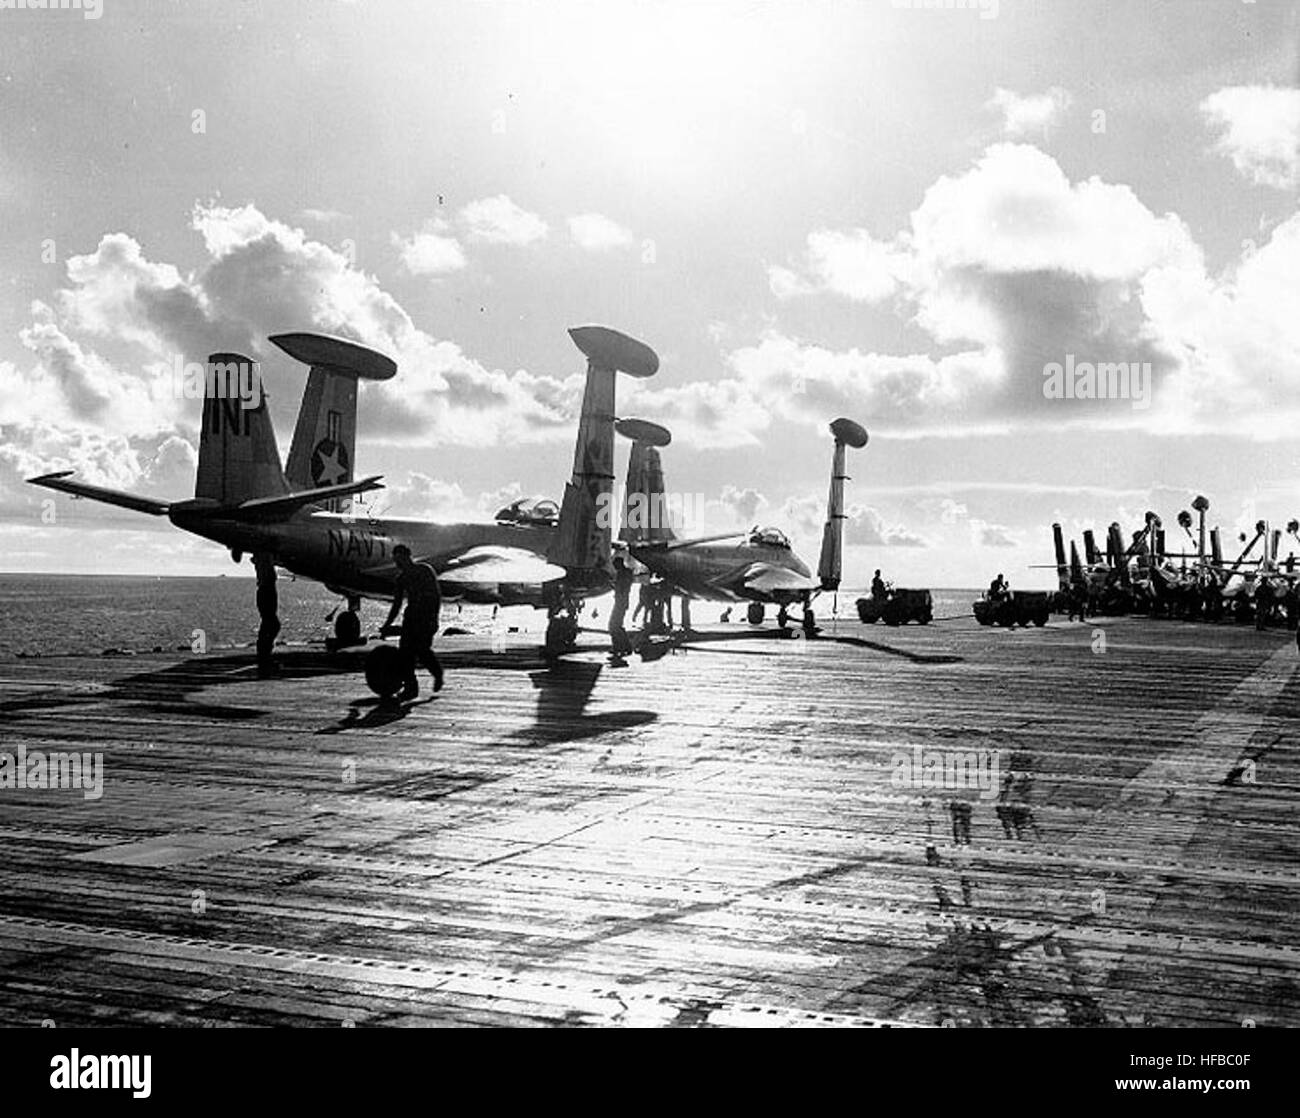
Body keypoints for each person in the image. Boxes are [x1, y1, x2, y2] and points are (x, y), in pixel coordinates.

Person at [382, 544, 444, 699]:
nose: (397, 563)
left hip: (425, 617)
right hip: (410, 619)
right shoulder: (401, 578)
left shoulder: (425, 570)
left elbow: (436, 596)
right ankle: (411, 689)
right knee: (405, 655)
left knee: (422, 651)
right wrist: (387, 624)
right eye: (395, 560)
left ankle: (437, 674)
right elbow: (397, 604)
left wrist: (434, 618)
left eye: (399, 559)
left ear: (407, 557)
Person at [252, 552, 281, 678]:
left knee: (270, 624)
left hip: (265, 591)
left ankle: (264, 657)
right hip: (266, 592)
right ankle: (264, 658)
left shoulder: (263, 564)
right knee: (271, 624)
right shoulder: (264, 565)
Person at [608, 555, 634, 657]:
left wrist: (613, 585)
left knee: (613, 625)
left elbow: (621, 588)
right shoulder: (626, 573)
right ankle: (623, 647)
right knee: (616, 625)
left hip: (620, 602)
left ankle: (620, 647)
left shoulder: (622, 574)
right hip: (622, 602)